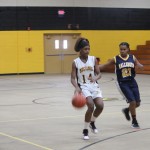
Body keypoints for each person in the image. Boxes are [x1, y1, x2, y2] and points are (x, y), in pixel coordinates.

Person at [100, 42, 144, 128]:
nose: (122, 51)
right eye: (121, 49)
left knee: (137, 103)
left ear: (128, 50)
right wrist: (93, 67)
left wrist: (140, 65)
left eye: (124, 49)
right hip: (123, 83)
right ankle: (134, 121)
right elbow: (105, 65)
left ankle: (127, 110)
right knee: (132, 102)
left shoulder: (132, 57)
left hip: (132, 81)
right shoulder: (116, 59)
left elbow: (138, 64)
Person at [71, 37, 104, 140]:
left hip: (94, 86)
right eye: (85, 49)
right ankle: (85, 130)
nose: (87, 51)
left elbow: (99, 74)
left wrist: (95, 77)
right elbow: (72, 78)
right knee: (91, 105)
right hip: (83, 87)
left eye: (88, 48)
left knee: (100, 106)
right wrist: (76, 87)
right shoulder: (75, 62)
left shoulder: (93, 59)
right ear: (80, 49)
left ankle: (92, 123)